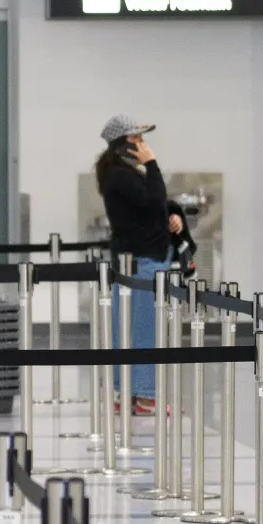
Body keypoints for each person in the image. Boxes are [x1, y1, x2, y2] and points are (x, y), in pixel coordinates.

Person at [95, 114, 182, 415]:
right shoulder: (121, 174)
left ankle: (126, 393)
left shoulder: (125, 173)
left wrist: (170, 215)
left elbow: (152, 204)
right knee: (143, 329)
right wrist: (154, 164)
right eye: (137, 139)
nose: (143, 145)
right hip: (141, 260)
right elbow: (151, 198)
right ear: (123, 143)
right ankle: (145, 395)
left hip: (138, 256)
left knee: (130, 327)